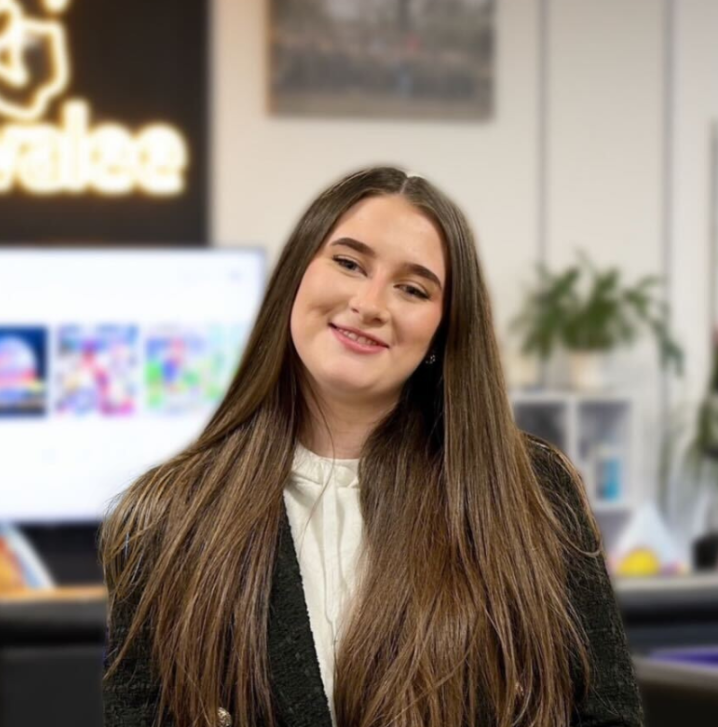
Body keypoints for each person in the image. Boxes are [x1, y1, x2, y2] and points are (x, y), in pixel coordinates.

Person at [99, 167, 643, 727]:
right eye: (348, 263)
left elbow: (607, 717)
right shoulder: (166, 517)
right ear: (296, 276)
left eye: (413, 288)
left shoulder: (530, 490)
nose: (370, 303)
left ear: (442, 329)